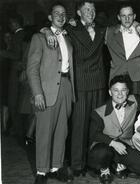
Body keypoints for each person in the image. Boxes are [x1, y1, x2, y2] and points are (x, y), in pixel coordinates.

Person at [42, 1, 107, 175]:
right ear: (78, 12)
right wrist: (46, 30)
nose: (90, 13)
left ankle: (97, 164)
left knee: (97, 126)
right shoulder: (71, 28)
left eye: (93, 9)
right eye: (86, 10)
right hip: (80, 84)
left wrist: (139, 25)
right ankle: (78, 165)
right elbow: (49, 29)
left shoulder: (102, 28)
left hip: (99, 84)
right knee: (79, 126)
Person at [27, 3, 75, 184]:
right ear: (50, 17)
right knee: (44, 132)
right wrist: (37, 93)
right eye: (57, 13)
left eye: (63, 14)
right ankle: (41, 171)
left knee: (62, 131)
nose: (60, 16)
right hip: (46, 90)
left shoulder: (68, 37)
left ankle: (56, 167)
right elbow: (32, 69)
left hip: (66, 87)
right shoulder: (39, 37)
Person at [88, 75, 140, 184]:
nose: (120, 94)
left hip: (125, 145)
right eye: (116, 90)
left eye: (123, 90)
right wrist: (112, 143)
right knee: (101, 153)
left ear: (128, 91)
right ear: (110, 92)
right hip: (105, 145)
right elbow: (94, 134)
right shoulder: (99, 111)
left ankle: (116, 164)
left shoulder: (134, 100)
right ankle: (104, 169)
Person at [106, 3, 140, 94]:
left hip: (137, 77)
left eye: (130, 15)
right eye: (123, 16)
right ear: (118, 17)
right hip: (117, 74)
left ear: (134, 16)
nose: (127, 19)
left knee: (136, 104)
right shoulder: (109, 32)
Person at [0, 14, 26, 136]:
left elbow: (17, 55)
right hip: (18, 72)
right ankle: (16, 129)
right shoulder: (23, 34)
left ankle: (16, 130)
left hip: (16, 72)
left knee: (13, 102)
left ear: (15, 23)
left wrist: (2, 53)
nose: (10, 26)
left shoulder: (18, 35)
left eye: (11, 24)